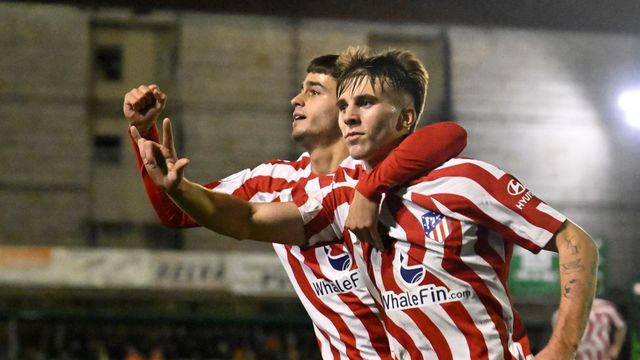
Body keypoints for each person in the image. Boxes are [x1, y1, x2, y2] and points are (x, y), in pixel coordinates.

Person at [124, 54, 467, 359]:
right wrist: (145, 132)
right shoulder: (273, 180)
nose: (296, 99)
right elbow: (176, 211)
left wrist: (370, 188)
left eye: (314, 91)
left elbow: (449, 135)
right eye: (301, 89)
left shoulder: (386, 166)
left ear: (347, 106)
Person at [553, 297, 627, 359]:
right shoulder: (566, 310)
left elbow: (621, 327)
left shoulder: (606, 307)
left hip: (602, 355)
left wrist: (616, 347)